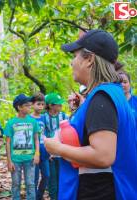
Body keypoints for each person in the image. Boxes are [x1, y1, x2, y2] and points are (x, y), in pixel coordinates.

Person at [44, 29, 137, 200]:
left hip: (100, 191)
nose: (72, 63)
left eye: (75, 56)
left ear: (89, 59)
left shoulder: (102, 99)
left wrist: (58, 148)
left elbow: (103, 156)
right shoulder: (111, 94)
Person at [4, 94, 40, 200]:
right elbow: (7, 143)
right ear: (19, 107)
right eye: (27, 105)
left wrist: (37, 154)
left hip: (30, 158)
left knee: (30, 184)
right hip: (15, 160)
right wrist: (9, 161)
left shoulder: (33, 122)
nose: (30, 107)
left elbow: (36, 139)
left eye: (30, 105)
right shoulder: (11, 123)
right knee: (16, 184)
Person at [43, 92, 68, 200]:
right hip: (50, 153)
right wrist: (47, 151)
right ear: (50, 105)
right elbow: (41, 134)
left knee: (62, 177)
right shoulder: (44, 117)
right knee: (52, 179)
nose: (60, 106)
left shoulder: (64, 116)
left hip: (62, 151)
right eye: (58, 104)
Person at [30, 92, 49, 200]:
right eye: (38, 104)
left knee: (46, 175)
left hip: (44, 150)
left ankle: (38, 196)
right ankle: (34, 196)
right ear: (32, 104)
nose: (40, 106)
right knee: (35, 177)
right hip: (33, 151)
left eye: (42, 104)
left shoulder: (44, 118)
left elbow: (46, 133)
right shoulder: (28, 118)